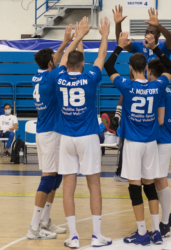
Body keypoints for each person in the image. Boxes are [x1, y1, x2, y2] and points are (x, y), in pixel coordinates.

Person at [104, 32, 171, 246]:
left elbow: (108, 66)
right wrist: (155, 48)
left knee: (135, 187)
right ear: (146, 68)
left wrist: (117, 47)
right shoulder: (157, 86)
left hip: (133, 144)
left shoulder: (126, 85)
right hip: (152, 144)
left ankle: (142, 233)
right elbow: (170, 67)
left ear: (130, 68)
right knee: (150, 186)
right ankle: (156, 232)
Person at [56, 17, 111, 248]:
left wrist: (76, 37)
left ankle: (74, 236)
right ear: (82, 65)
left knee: (68, 187)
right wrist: (104, 35)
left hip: (66, 138)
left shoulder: (58, 77)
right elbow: (100, 57)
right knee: (94, 185)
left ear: (68, 64)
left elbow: (63, 57)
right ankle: (97, 236)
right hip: (88, 137)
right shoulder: (90, 78)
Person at [26, 25, 74, 240]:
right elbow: (62, 61)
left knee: (56, 178)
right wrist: (69, 40)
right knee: (47, 180)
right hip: (50, 133)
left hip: (47, 130)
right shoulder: (51, 77)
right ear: (50, 64)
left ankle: (45, 221)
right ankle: (34, 227)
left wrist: (63, 43)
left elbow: (56, 60)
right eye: (53, 60)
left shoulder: (37, 76)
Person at [145, 58, 171, 237]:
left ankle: (165, 223)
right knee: (156, 181)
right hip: (163, 140)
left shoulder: (158, 90)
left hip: (163, 140)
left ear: (150, 72)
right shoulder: (165, 88)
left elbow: (158, 119)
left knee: (159, 181)